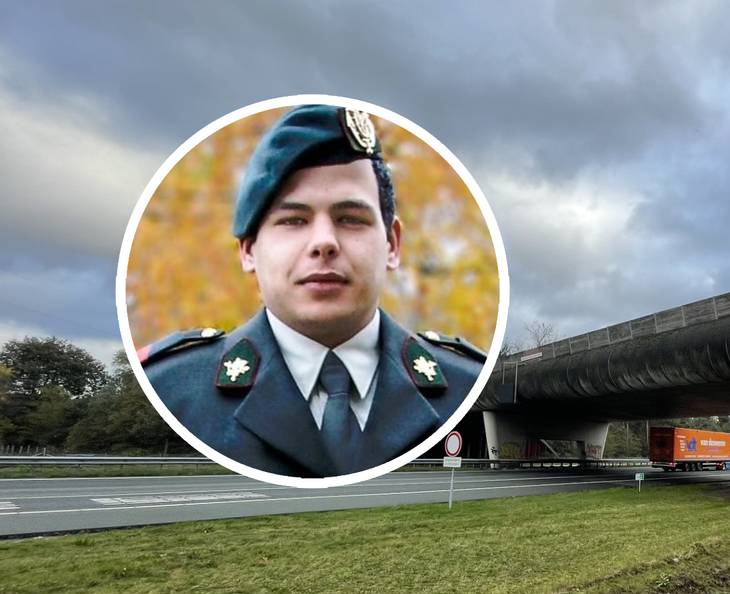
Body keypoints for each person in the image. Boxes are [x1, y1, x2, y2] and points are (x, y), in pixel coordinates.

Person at [139, 105, 486, 478]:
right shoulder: (170, 389)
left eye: (351, 219)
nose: (324, 243)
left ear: (392, 244)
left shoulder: (468, 383)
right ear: (249, 250)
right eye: (294, 220)